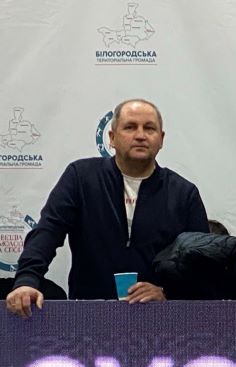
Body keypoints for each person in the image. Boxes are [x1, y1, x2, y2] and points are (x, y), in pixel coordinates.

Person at [5, 98, 209, 317]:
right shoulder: (81, 178)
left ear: (161, 139)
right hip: (88, 317)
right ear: (111, 138)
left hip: (160, 320)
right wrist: (26, 280)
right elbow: (48, 232)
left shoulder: (184, 194)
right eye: (130, 127)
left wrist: (167, 293)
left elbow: (201, 265)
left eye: (149, 128)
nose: (140, 135)